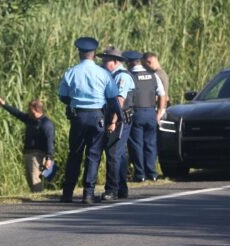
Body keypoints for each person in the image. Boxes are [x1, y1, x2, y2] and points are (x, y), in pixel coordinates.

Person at [58, 37, 122, 204]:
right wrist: (119, 116)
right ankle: (88, 193)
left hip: (78, 116)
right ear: (94, 54)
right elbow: (113, 98)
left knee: (74, 154)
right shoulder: (104, 74)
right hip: (97, 117)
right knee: (93, 155)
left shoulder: (70, 72)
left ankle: (67, 193)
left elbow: (63, 96)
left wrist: (75, 101)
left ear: (79, 53)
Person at [0, 97, 55, 192]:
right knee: (30, 178)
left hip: (37, 154)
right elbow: (17, 113)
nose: (29, 112)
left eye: (31, 110)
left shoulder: (46, 124)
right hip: (29, 153)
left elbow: (49, 141)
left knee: (34, 178)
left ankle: (38, 199)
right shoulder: (30, 119)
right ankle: (38, 196)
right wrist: (4, 104)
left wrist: (48, 158)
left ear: (37, 109)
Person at [97, 47, 135, 201]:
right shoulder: (113, 75)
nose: (103, 63)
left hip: (119, 119)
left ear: (114, 61)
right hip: (118, 118)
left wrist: (113, 121)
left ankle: (111, 190)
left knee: (113, 154)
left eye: (105, 61)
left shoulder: (122, 77)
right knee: (119, 155)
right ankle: (121, 189)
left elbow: (119, 101)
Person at [124, 50, 166, 182]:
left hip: (136, 113)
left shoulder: (129, 76)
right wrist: (159, 111)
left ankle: (140, 174)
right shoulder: (153, 76)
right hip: (150, 113)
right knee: (151, 144)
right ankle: (152, 173)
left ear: (129, 63)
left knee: (136, 144)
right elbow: (162, 94)